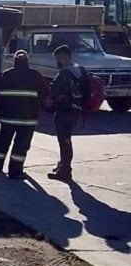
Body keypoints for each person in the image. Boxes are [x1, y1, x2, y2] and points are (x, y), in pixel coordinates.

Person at [0, 50, 49, 179]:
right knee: (20, 147)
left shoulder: (5, 75)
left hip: (7, 118)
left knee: (2, 143)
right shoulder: (35, 75)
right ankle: (15, 172)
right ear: (27, 61)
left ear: (14, 61)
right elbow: (45, 94)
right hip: (27, 119)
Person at [47, 45, 88, 182]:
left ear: (64, 57)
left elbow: (53, 91)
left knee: (64, 141)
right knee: (66, 139)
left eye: (57, 58)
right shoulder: (81, 70)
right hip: (77, 110)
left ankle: (65, 171)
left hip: (64, 110)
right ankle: (63, 165)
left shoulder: (64, 74)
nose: (56, 61)